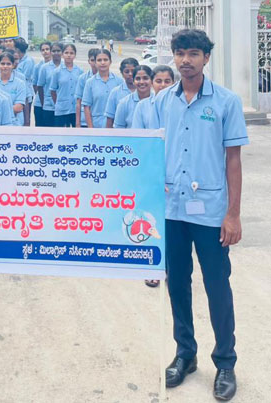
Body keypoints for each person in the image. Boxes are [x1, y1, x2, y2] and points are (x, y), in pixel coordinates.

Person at [150, 29, 248, 401]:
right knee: (177, 284)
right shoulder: (163, 101)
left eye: (193, 53)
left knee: (217, 286)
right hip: (172, 210)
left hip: (210, 212)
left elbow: (233, 160)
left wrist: (233, 215)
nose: (185, 60)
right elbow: (151, 151)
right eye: (180, 53)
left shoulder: (226, 102)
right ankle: (185, 354)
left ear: (206, 57)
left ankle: (225, 362)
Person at [131, 65, 175, 289]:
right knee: (150, 222)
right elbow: (139, 141)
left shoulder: (178, 107)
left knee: (172, 225)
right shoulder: (142, 107)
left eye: (167, 81)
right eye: (159, 81)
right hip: (149, 172)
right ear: (151, 83)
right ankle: (152, 269)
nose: (163, 85)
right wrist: (150, 173)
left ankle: (170, 268)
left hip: (173, 172)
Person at [82, 49, 122, 128]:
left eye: (105, 60)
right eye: (99, 60)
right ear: (95, 63)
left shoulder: (119, 81)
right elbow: (86, 107)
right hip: (96, 125)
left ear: (110, 62)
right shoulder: (90, 82)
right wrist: (90, 128)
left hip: (115, 126)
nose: (102, 63)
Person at [49, 43, 83, 127]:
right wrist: (58, 103)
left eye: (71, 53)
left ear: (75, 55)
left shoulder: (80, 71)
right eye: (66, 53)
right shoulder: (57, 72)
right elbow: (53, 91)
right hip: (61, 109)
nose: (69, 55)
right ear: (62, 54)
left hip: (76, 110)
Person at [105, 57, 139, 127]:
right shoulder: (115, 92)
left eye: (133, 71)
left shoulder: (144, 91)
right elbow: (110, 118)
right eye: (127, 72)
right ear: (122, 73)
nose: (130, 74)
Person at [0, 51, 27, 125]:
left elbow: (19, 107)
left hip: (15, 123)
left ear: (13, 65)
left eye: (8, 64)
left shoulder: (20, 83)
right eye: (2, 63)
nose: (5, 66)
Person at [37, 42, 63, 127]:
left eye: (58, 51)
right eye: (54, 51)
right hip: (48, 106)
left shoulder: (65, 66)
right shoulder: (44, 67)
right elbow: (40, 86)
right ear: (51, 52)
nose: (56, 53)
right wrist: (43, 103)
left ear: (62, 52)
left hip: (63, 107)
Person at [75, 48, 99, 128]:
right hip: (84, 120)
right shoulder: (83, 78)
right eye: (92, 60)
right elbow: (78, 101)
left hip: (100, 120)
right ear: (88, 61)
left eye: (97, 60)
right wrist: (77, 123)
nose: (95, 63)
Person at [15, 37, 35, 126]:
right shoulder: (17, 59)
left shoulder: (28, 61)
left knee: (26, 118)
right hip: (17, 91)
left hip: (26, 92)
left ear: (18, 49)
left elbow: (25, 78)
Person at [32, 41, 52, 127]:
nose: (45, 51)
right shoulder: (37, 66)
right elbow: (35, 84)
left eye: (47, 49)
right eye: (43, 50)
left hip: (52, 103)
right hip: (39, 103)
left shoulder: (57, 65)